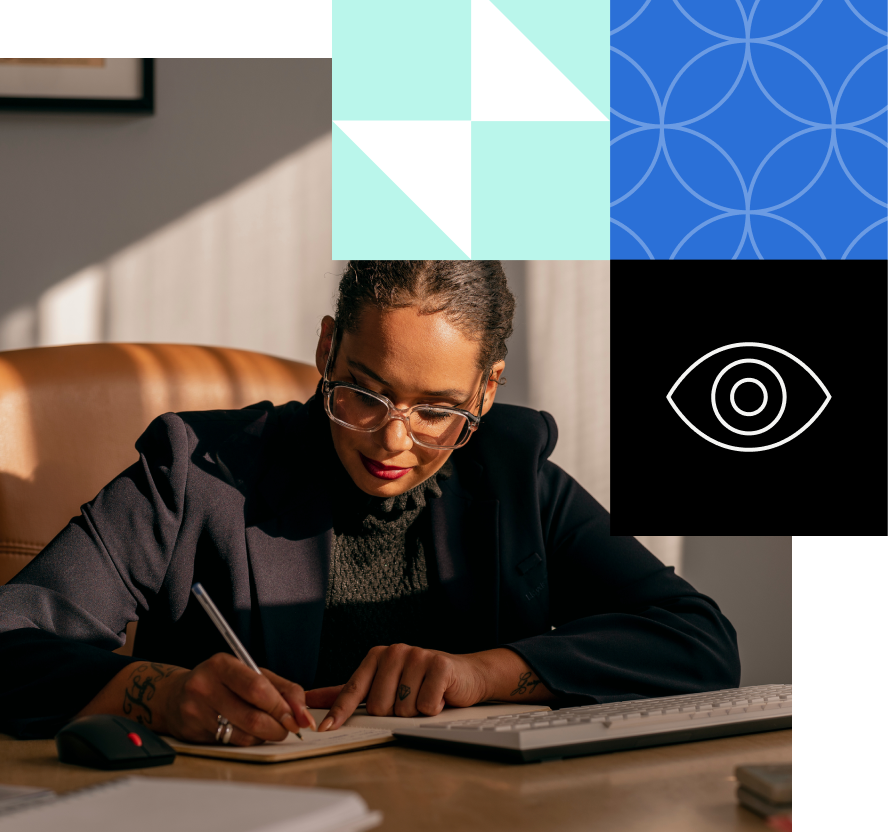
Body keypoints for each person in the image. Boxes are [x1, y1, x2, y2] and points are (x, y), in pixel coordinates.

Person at [0, 260, 740, 745]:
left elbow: (698, 640)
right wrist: (159, 695)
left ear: (487, 389)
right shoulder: (197, 472)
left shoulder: (510, 472)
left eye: (437, 410)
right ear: (326, 350)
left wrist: (486, 672)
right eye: (364, 392)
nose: (393, 440)